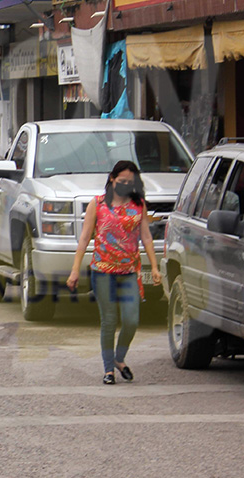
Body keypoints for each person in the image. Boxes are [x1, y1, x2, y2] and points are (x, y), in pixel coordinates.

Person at [67, 160, 161, 385]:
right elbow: (84, 238)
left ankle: (120, 358)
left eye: (130, 182)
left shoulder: (139, 205)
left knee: (131, 320)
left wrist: (155, 266)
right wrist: (74, 270)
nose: (126, 185)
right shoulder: (97, 204)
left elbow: (146, 237)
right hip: (102, 271)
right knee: (109, 320)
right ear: (112, 179)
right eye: (122, 181)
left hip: (129, 271)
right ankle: (108, 369)